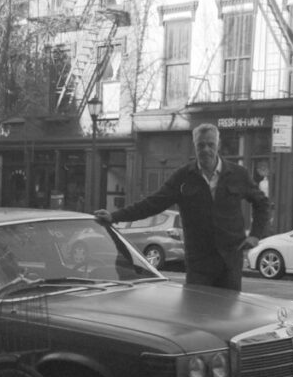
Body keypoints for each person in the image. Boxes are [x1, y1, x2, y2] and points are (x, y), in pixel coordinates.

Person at [94, 123, 270, 291]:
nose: (206, 150)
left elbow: (262, 203)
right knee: (196, 315)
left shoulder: (238, 174)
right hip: (199, 264)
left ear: (218, 145)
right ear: (195, 146)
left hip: (230, 261)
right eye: (201, 145)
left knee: (229, 316)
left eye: (210, 144)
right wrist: (114, 216)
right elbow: (152, 204)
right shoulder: (183, 176)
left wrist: (255, 235)